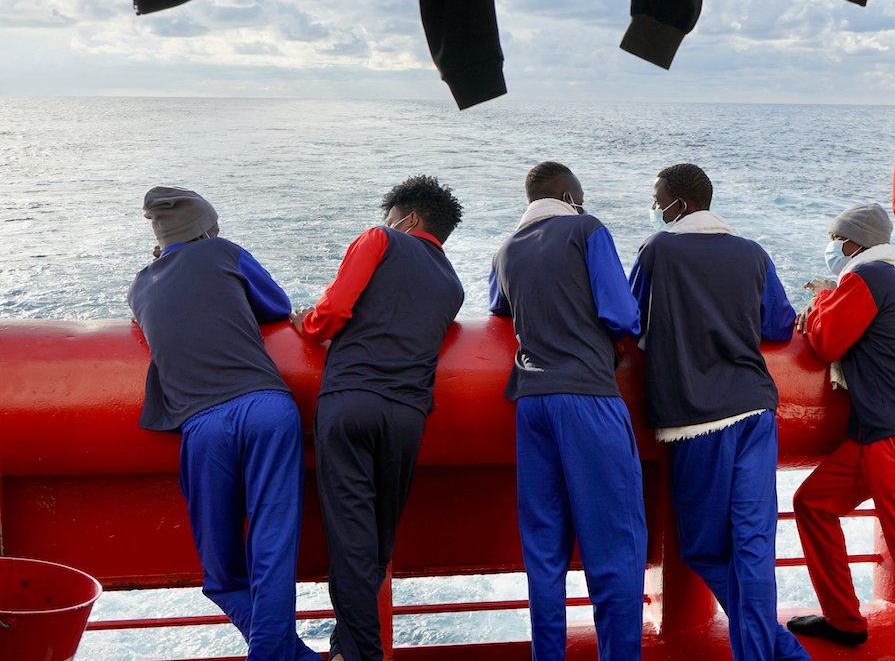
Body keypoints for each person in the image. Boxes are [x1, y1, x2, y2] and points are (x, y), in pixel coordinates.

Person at [127, 186, 320, 661]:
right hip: (267, 408)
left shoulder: (138, 286)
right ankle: (283, 654)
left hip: (203, 424)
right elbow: (276, 305)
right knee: (271, 550)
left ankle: (276, 652)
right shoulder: (224, 253)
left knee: (219, 575)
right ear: (208, 229)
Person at [628, 163, 808, 661]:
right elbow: (778, 326)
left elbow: (627, 316)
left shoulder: (658, 250)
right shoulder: (752, 253)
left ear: (679, 204)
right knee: (753, 545)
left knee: (706, 548)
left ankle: (782, 648)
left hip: (697, 419)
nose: (655, 205)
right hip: (755, 409)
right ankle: (776, 650)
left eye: (658, 196)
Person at [291, 176, 465, 661]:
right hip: (407, 416)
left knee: (350, 542)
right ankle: (348, 646)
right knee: (377, 544)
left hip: (352, 401)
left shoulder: (380, 239)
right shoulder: (453, 285)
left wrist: (304, 322)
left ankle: (360, 653)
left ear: (407, 219)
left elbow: (335, 309)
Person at [489, 161, 647, 661]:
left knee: (544, 549)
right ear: (567, 194)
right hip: (588, 399)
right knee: (614, 547)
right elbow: (621, 313)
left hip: (532, 404)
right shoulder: (586, 228)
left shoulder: (505, 248)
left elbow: (498, 307)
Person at [787, 202, 895, 659]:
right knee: (813, 503)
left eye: (835, 238)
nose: (831, 247)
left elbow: (825, 343)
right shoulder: (882, 279)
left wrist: (819, 303)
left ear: (854, 243)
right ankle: (844, 620)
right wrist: (830, 299)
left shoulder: (868, 277)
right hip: (880, 431)